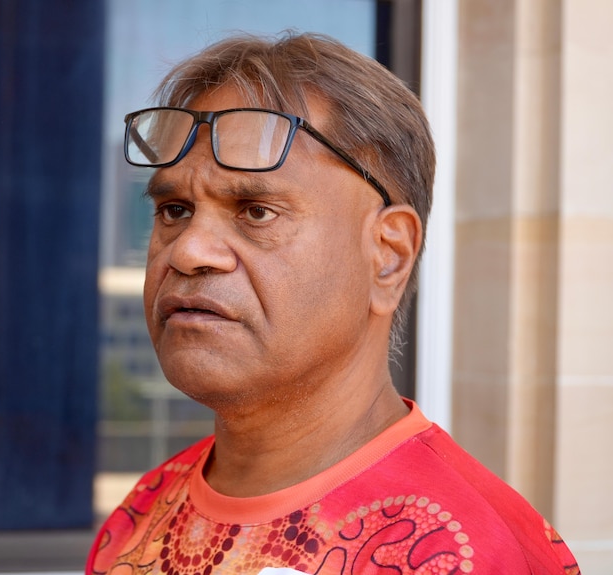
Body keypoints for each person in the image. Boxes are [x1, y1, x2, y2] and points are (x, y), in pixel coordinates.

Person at [88, 32, 579, 575]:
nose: (189, 250)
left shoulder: (474, 552)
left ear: (387, 256)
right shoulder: (142, 511)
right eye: (175, 210)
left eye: (256, 211)